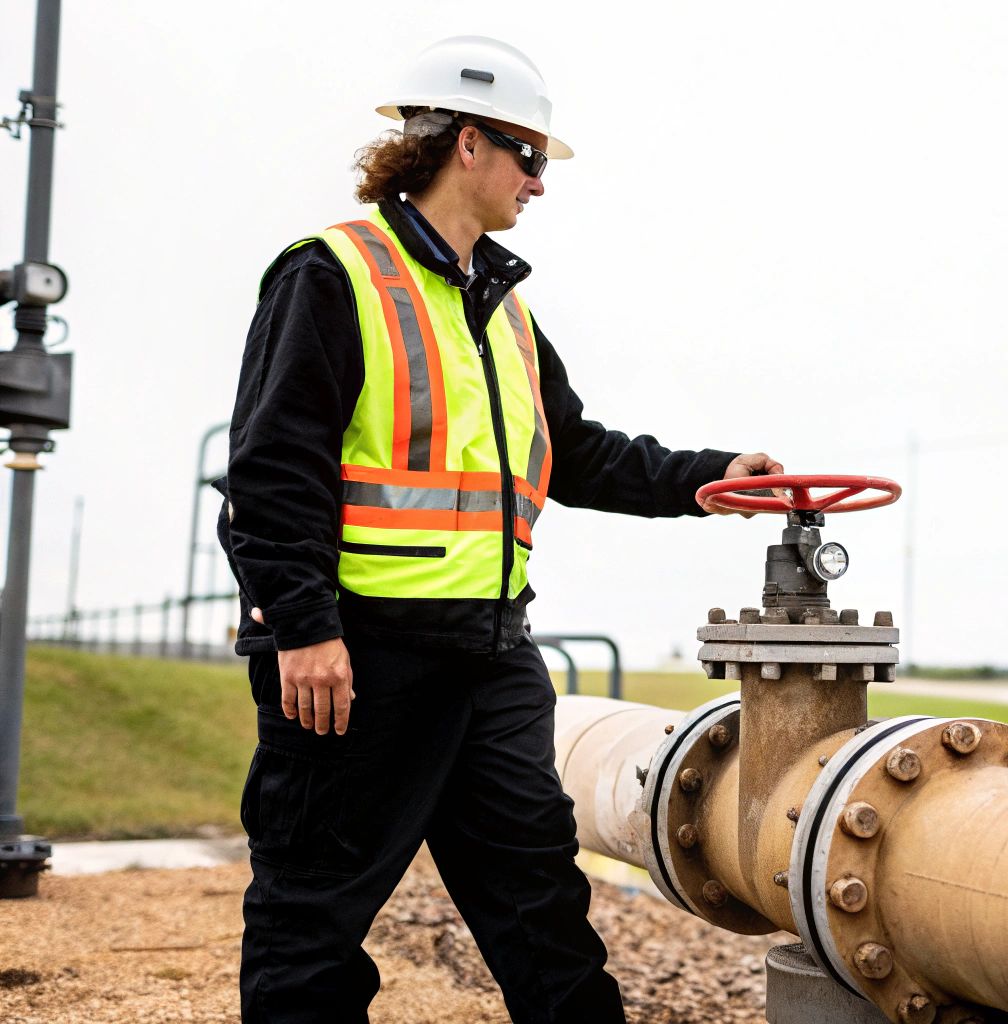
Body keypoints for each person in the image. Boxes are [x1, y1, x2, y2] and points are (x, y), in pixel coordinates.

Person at [219, 35, 779, 1023]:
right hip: (357, 662)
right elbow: (272, 470)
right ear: (465, 144)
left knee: (543, 911)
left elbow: (578, 452)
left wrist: (708, 478)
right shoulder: (335, 274)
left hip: (487, 660)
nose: (540, 183)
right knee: (312, 922)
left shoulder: (505, 313)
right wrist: (305, 627)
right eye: (529, 156)